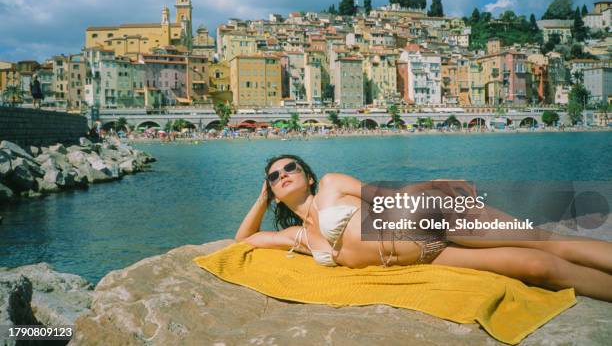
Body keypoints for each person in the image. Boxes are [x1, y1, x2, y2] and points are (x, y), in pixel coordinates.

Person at [235, 154, 612, 302]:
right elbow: (243, 242)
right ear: (271, 190)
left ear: (309, 176)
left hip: (425, 213)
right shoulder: (297, 237)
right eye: (274, 176)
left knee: (548, 243)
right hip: (429, 258)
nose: (283, 175)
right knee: (537, 268)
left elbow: (382, 193)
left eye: (291, 169)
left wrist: (438, 187)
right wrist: (261, 199)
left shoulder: (332, 184)